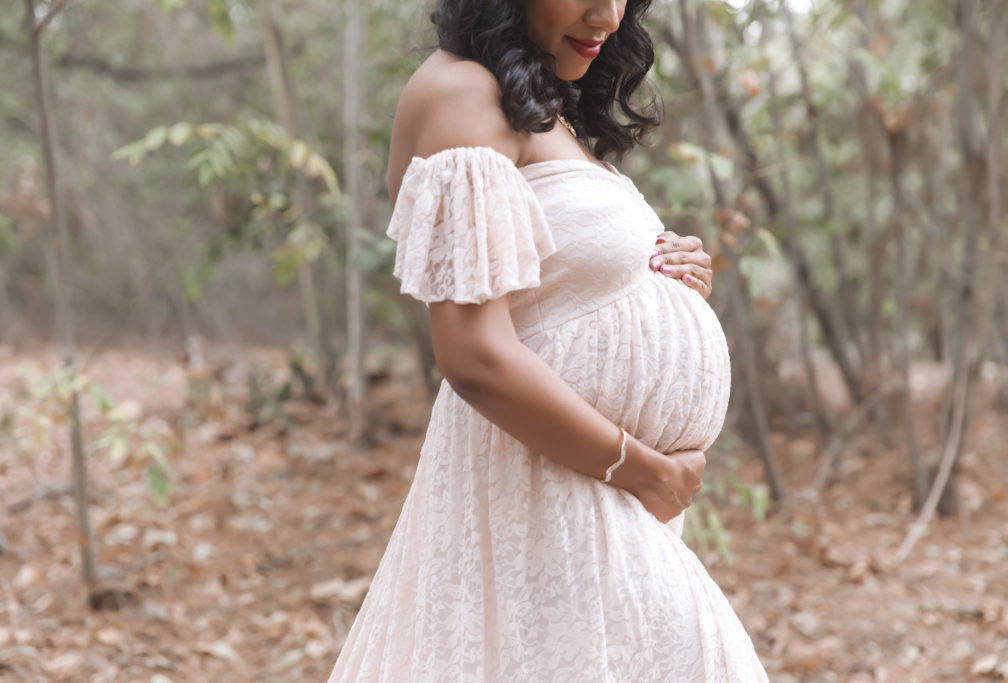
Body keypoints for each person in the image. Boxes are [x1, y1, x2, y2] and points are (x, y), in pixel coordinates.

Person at [328, 0, 769, 680]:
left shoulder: (536, 105)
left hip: (590, 500)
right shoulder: (460, 91)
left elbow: (565, 278)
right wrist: (645, 470)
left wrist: (665, 273)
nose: (609, 14)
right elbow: (472, 354)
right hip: (549, 491)